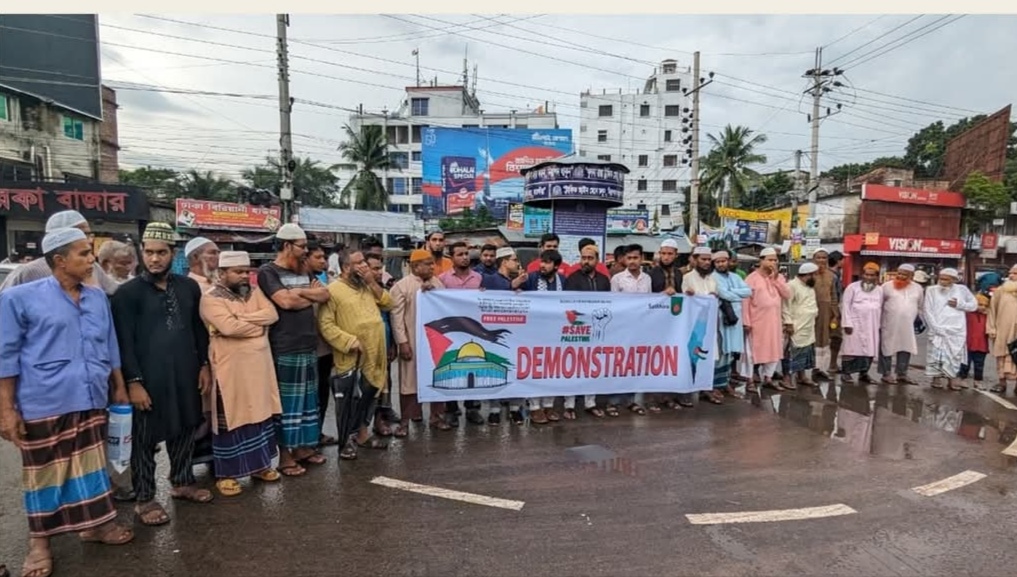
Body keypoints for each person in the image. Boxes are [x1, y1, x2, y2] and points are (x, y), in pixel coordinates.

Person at [0, 228, 134, 577]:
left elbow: (111, 347)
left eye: (90, 252)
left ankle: (96, 526)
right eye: (82, 254)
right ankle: (39, 544)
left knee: (91, 467)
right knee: (45, 474)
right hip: (43, 399)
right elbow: (5, 357)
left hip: (91, 396)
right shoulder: (21, 298)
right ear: (59, 260)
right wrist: (6, 409)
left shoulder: (96, 298)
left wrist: (119, 387)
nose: (91, 260)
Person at [111, 222, 214, 527]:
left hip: (185, 373)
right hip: (147, 379)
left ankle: (182, 482)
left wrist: (204, 365)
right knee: (144, 440)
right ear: (141, 253)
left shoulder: (188, 287)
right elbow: (123, 342)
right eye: (149, 252)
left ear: (173, 253)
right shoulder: (126, 294)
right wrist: (133, 382)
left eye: (161, 252)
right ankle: (144, 498)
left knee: (185, 427)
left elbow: (198, 330)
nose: (154, 259)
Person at [199, 251, 282, 497]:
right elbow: (228, 327)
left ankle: (259, 466)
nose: (245, 276)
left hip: (259, 368)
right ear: (222, 273)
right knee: (232, 420)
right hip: (230, 370)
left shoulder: (254, 292)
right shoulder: (210, 298)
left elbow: (273, 314)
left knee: (259, 415)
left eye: (247, 271)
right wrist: (257, 326)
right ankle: (227, 473)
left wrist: (242, 318)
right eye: (238, 272)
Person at [257, 223, 331, 476]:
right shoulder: (268, 272)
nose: (304, 252)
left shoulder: (303, 269)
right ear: (287, 245)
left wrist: (298, 293)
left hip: (308, 345)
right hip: (285, 346)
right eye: (301, 247)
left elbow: (324, 295)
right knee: (287, 404)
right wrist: (304, 293)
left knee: (308, 402)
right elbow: (285, 302)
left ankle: (302, 448)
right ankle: (285, 455)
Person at [318, 250, 393, 458]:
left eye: (364, 262)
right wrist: (349, 341)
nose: (364, 266)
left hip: (375, 353)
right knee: (350, 400)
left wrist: (371, 282)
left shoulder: (366, 286)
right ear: (345, 267)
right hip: (352, 355)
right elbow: (326, 324)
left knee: (369, 396)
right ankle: (346, 442)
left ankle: (362, 435)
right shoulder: (333, 290)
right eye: (358, 263)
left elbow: (388, 303)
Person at [391, 249, 448, 434]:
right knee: (409, 382)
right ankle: (405, 422)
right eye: (428, 264)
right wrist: (403, 342)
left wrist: (433, 294)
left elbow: (446, 308)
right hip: (412, 342)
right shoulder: (402, 286)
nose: (433, 267)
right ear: (416, 266)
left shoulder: (438, 283)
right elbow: (396, 318)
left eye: (433, 263)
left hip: (434, 342)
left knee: (437, 378)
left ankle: (436, 417)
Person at [0, 210, 120, 295]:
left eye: (88, 234)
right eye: (83, 234)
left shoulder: (92, 267)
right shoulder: (28, 272)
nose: (88, 239)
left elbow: (115, 292)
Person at [437, 242, 485, 426]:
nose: (464, 257)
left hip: (473, 330)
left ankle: (472, 408)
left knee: (472, 367)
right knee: (452, 368)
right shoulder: (443, 279)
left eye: (466, 253)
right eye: (460, 254)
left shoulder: (478, 278)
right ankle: (451, 409)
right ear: (452, 258)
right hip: (452, 331)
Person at [480, 247, 527, 424]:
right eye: (514, 260)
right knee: (496, 369)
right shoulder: (490, 280)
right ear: (504, 262)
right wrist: (512, 286)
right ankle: (494, 409)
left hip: (517, 332)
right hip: (496, 334)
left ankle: (515, 408)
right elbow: (495, 295)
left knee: (516, 369)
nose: (517, 263)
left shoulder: (520, 281)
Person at [520, 249, 567, 424]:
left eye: (547, 262)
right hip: (533, 332)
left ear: (556, 266)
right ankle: (534, 407)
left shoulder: (562, 280)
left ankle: (548, 405)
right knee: (534, 368)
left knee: (553, 368)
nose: (542, 265)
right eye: (542, 261)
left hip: (555, 332)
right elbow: (515, 293)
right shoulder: (531, 278)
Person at [563, 243, 609, 419]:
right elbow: (566, 306)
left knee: (593, 365)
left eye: (590, 258)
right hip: (576, 330)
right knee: (572, 366)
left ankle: (591, 403)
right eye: (583, 258)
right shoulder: (572, 279)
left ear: (597, 260)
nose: (586, 261)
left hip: (596, 330)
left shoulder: (604, 280)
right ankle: (569, 404)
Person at [303, 240, 338, 448]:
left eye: (324, 257)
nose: (323, 262)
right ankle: (306, 440)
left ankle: (317, 432)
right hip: (306, 349)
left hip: (324, 349)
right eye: (318, 257)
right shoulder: (297, 282)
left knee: (322, 393)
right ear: (305, 258)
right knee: (307, 396)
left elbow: (326, 298)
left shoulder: (320, 282)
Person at [609, 244, 650, 416]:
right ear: (624, 259)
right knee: (617, 364)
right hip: (621, 327)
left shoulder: (647, 278)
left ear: (641, 258)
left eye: (635, 258)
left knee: (634, 364)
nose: (632, 261)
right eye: (629, 258)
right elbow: (612, 304)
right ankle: (612, 402)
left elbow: (651, 302)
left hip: (640, 328)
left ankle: (631, 401)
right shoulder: (617, 279)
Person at [744, 247, 791, 392]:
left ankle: (768, 378)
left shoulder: (779, 277)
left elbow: (787, 295)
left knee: (774, 350)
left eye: (775, 260)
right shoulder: (751, 278)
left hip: (774, 322)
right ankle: (750, 380)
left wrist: (775, 279)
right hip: (756, 321)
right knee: (751, 352)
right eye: (770, 259)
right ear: (761, 260)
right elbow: (745, 301)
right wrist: (746, 322)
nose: (773, 262)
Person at [923, 268, 978, 391]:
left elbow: (974, 305)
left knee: (954, 355)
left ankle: (952, 379)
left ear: (954, 280)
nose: (942, 281)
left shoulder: (962, 290)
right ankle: (936, 378)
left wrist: (959, 305)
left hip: (956, 329)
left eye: (946, 279)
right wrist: (935, 327)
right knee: (936, 354)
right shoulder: (931, 290)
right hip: (937, 328)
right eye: (941, 278)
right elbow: (927, 310)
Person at [683, 247, 721, 405]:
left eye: (708, 260)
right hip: (693, 325)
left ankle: (706, 388)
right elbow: (685, 298)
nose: (706, 263)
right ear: (695, 259)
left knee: (709, 356)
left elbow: (715, 300)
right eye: (703, 259)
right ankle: (687, 390)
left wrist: (714, 297)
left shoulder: (713, 279)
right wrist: (689, 295)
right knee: (692, 357)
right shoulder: (687, 278)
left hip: (709, 325)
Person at [712, 250, 752, 399]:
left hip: (736, 320)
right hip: (722, 319)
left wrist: (731, 291)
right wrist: (736, 294)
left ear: (728, 261)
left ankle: (725, 383)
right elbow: (723, 294)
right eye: (718, 262)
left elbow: (748, 292)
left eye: (723, 261)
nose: (721, 264)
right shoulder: (713, 277)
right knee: (721, 353)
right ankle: (715, 385)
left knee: (730, 354)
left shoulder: (735, 277)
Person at [879, 264, 924, 385]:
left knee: (905, 346)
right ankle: (886, 373)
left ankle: (902, 374)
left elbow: (920, 306)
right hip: (889, 323)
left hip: (907, 325)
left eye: (905, 274)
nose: (901, 276)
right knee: (886, 347)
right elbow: (879, 304)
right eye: (899, 273)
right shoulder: (886, 286)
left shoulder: (918, 288)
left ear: (912, 276)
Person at [839, 263, 883, 385]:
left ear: (876, 276)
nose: (868, 277)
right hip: (854, 325)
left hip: (872, 326)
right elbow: (845, 306)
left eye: (871, 275)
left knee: (869, 350)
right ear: (862, 275)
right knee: (851, 349)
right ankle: (846, 373)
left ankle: (864, 373)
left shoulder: (880, 290)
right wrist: (847, 323)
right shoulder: (852, 288)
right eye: (866, 274)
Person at [782, 262, 820, 390]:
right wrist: (788, 323)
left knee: (806, 352)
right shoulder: (792, 286)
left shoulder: (809, 286)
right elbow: (785, 306)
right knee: (791, 353)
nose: (816, 277)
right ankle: (786, 378)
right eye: (814, 275)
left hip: (808, 325)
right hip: (795, 325)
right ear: (807, 275)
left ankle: (802, 376)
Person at [987, 265, 1017, 394]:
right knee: (1002, 355)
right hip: (1003, 330)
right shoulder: (1001, 291)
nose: (1011, 276)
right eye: (1011, 273)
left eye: (1015, 274)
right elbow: (992, 310)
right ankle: (1001, 382)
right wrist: (992, 328)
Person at [810, 249, 839, 382]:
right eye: (819, 257)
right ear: (813, 259)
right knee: (810, 339)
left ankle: (820, 369)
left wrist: (835, 315)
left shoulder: (832, 276)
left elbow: (834, 296)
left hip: (826, 311)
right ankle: (805, 371)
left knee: (824, 340)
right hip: (810, 310)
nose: (821, 260)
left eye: (824, 258)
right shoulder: (807, 274)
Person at [961, 293, 991, 391]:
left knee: (979, 364)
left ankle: (978, 381)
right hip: (968, 343)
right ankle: (962, 378)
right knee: (965, 363)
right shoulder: (968, 314)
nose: (982, 307)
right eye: (979, 304)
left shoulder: (987, 317)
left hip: (982, 345)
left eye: (985, 305)